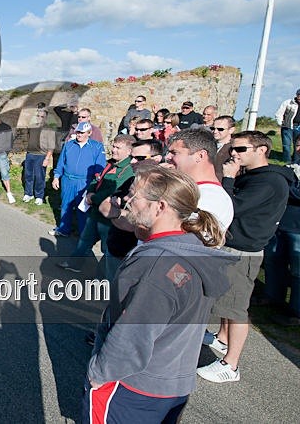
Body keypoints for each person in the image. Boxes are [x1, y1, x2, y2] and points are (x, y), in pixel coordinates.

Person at [84, 167, 234, 423]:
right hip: (172, 381)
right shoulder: (193, 246)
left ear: (160, 207)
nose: (126, 202)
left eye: (134, 196)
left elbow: (132, 336)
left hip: (132, 387)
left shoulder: (157, 266)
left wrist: (98, 376)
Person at [197, 131, 294, 383]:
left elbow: (235, 207)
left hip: (243, 249)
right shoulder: (254, 176)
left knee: (236, 306)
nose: (233, 154)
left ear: (261, 150)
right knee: (225, 300)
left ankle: (231, 365)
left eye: (240, 149)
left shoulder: (270, 181)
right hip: (233, 243)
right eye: (233, 148)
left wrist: (228, 179)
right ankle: (222, 338)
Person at [57, 134, 134, 276]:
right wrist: (90, 193)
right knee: (85, 240)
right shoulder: (110, 163)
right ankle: (74, 264)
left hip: (108, 218)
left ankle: (103, 278)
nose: (113, 150)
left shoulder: (128, 170)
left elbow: (113, 189)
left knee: (107, 249)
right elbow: (96, 180)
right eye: (113, 146)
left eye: (118, 148)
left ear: (129, 151)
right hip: (95, 213)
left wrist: (93, 198)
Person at [263, 135, 300, 325]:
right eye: (299, 144)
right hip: (282, 222)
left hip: (298, 228)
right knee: (274, 260)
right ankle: (272, 296)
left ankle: (296, 311)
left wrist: (286, 185)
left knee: (297, 270)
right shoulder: (291, 167)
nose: (299, 148)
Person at [50, 121, 106, 237]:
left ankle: (83, 235)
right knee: (66, 206)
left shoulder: (96, 146)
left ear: (89, 133)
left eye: (82, 132)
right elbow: (61, 163)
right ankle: (64, 230)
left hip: (85, 181)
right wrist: (56, 177)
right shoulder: (69, 145)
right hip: (68, 180)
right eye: (78, 132)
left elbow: (100, 166)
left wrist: (95, 183)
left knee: (83, 209)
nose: (79, 135)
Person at [22, 106, 55, 205]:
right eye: (38, 116)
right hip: (30, 154)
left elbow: (52, 146)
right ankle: (28, 193)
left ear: (46, 117)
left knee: (39, 177)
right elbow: (29, 137)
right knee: (28, 175)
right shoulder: (31, 126)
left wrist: (47, 158)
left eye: (42, 116)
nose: (40, 118)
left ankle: (39, 196)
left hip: (41, 156)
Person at [275, 88, 300, 163]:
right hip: (287, 126)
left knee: (298, 145)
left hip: (299, 127)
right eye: (299, 95)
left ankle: (296, 160)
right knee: (286, 145)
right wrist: (280, 123)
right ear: (297, 95)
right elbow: (279, 113)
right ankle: (287, 161)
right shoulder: (288, 102)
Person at [211, 115, 236, 180]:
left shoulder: (235, 148)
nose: (215, 132)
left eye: (220, 129)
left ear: (231, 130)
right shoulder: (208, 144)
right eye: (213, 128)